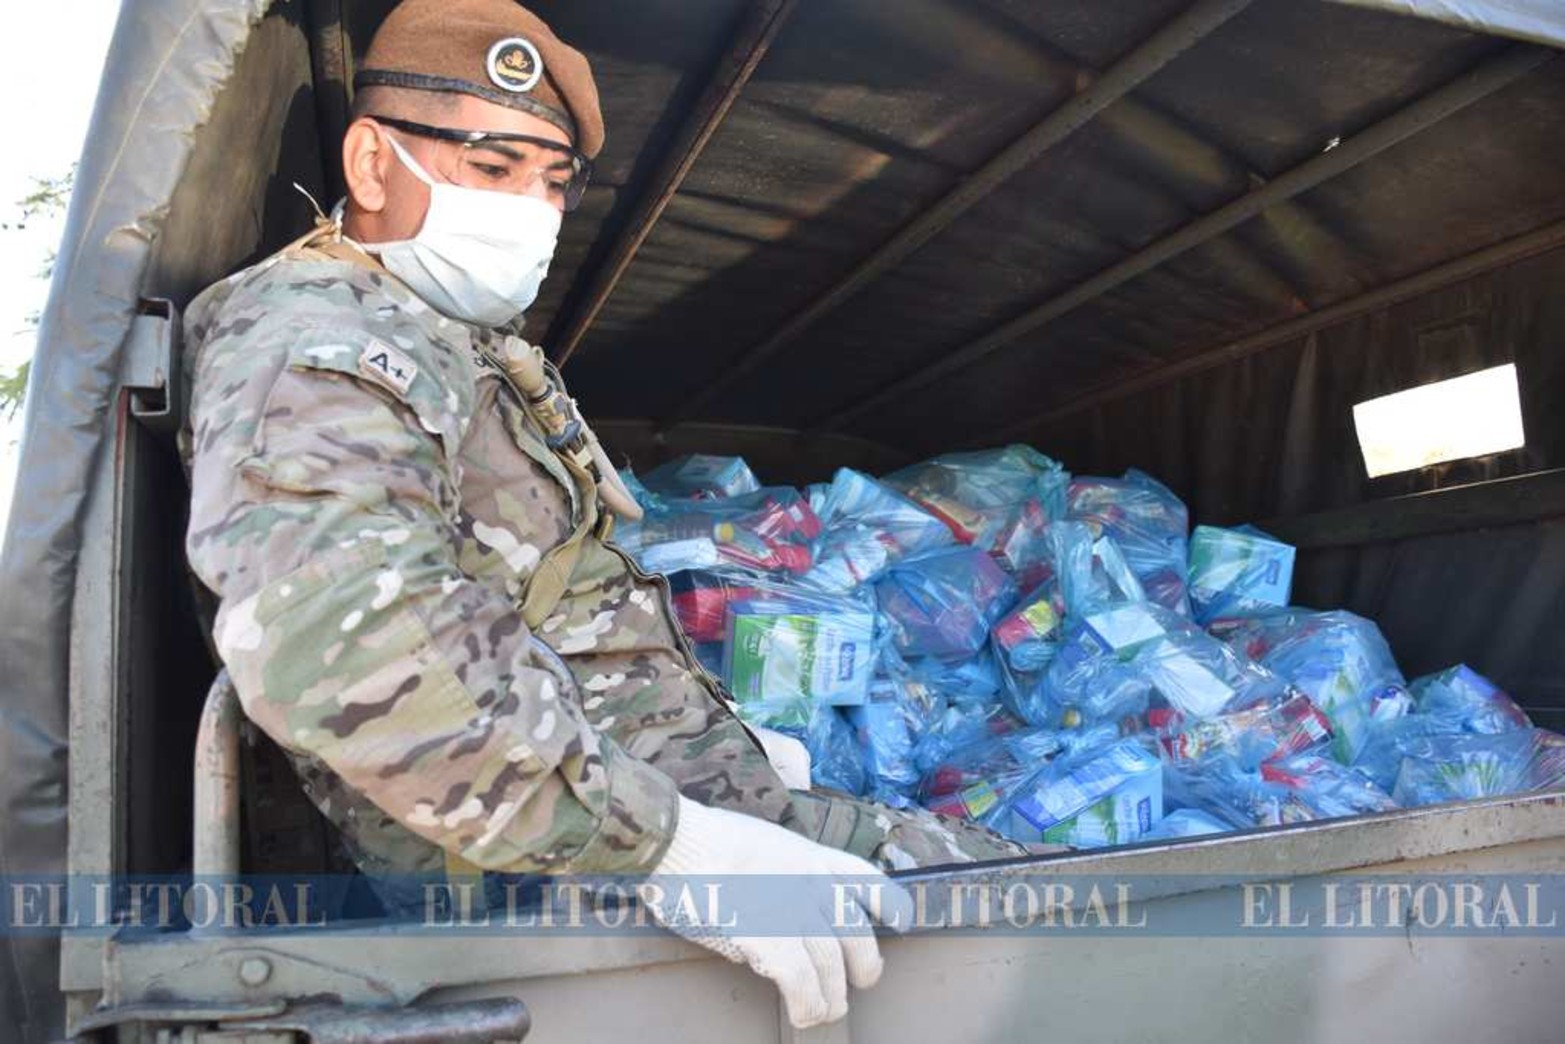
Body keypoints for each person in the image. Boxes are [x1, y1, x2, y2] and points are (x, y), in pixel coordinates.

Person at [181, 0, 1031, 1028]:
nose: (530, 212)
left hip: (646, 809)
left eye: (550, 184)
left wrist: (716, 746)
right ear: (370, 164)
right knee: (1059, 916)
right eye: (492, 169)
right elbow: (347, 649)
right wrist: (674, 848)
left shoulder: (435, 335)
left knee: (1048, 879)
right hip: (565, 870)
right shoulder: (313, 345)